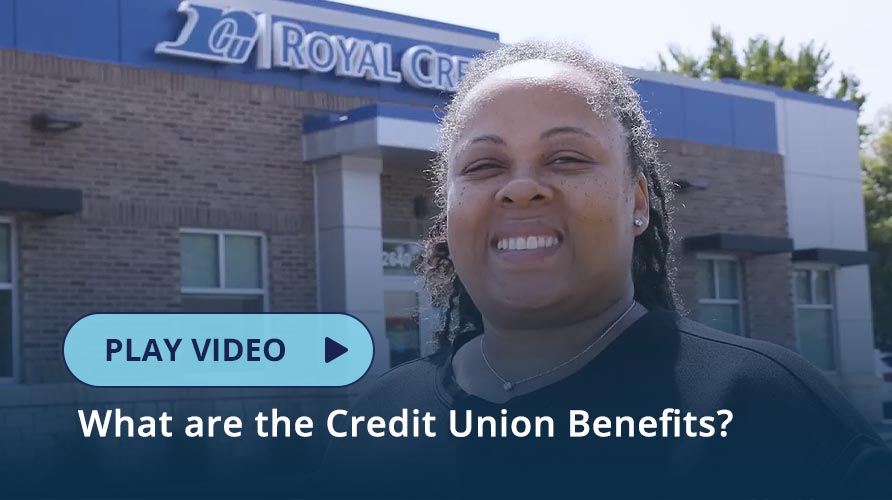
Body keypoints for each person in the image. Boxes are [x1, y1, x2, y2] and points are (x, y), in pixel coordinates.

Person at [310, 41, 892, 499]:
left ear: (638, 202)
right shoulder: (374, 422)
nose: (519, 188)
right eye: (484, 165)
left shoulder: (770, 416)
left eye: (566, 157)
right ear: (449, 209)